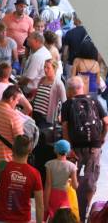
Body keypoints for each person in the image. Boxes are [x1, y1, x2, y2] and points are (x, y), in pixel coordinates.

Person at [61, 76, 108, 222]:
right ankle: (85, 208)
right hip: (94, 146)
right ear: (82, 87)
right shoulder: (95, 101)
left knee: (72, 179)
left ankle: (75, 212)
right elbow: (106, 122)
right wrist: (101, 138)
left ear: (69, 90)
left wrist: (69, 148)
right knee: (90, 180)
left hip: (75, 147)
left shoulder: (67, 104)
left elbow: (65, 128)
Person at [0, 135, 44, 223]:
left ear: (13, 149)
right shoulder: (35, 173)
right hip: (23, 220)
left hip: (0, 218)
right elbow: (40, 205)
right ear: (30, 151)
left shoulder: (1, 166)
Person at [44, 139, 79, 221]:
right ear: (68, 152)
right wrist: (72, 182)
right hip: (63, 196)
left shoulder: (49, 164)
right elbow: (75, 186)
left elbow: (48, 184)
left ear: (55, 151)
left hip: (51, 194)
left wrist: (45, 202)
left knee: (51, 217)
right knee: (63, 218)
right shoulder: (72, 166)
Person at [32, 59, 67, 128]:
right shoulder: (42, 79)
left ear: (54, 69)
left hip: (46, 118)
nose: (45, 70)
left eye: (48, 68)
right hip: (35, 114)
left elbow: (64, 102)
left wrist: (61, 115)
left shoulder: (58, 84)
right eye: (44, 67)